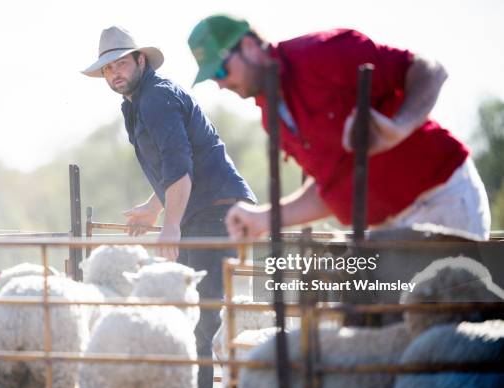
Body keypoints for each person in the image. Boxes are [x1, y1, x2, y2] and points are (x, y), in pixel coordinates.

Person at [188, 15, 491, 241]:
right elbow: (332, 189)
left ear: (250, 46)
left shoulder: (320, 54)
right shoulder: (271, 119)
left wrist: (398, 128)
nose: (221, 83)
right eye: (213, 77)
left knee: (449, 321)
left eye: (221, 69)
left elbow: (429, 70)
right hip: (389, 227)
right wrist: (264, 218)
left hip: (443, 199)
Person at [82, 26, 256, 388]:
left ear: (141, 60)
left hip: (216, 211)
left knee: (202, 313)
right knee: (192, 311)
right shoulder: (136, 103)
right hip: (202, 210)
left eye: (122, 63)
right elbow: (175, 166)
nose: (115, 73)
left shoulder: (156, 99)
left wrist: (170, 224)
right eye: (108, 68)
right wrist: (154, 206)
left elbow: (179, 167)